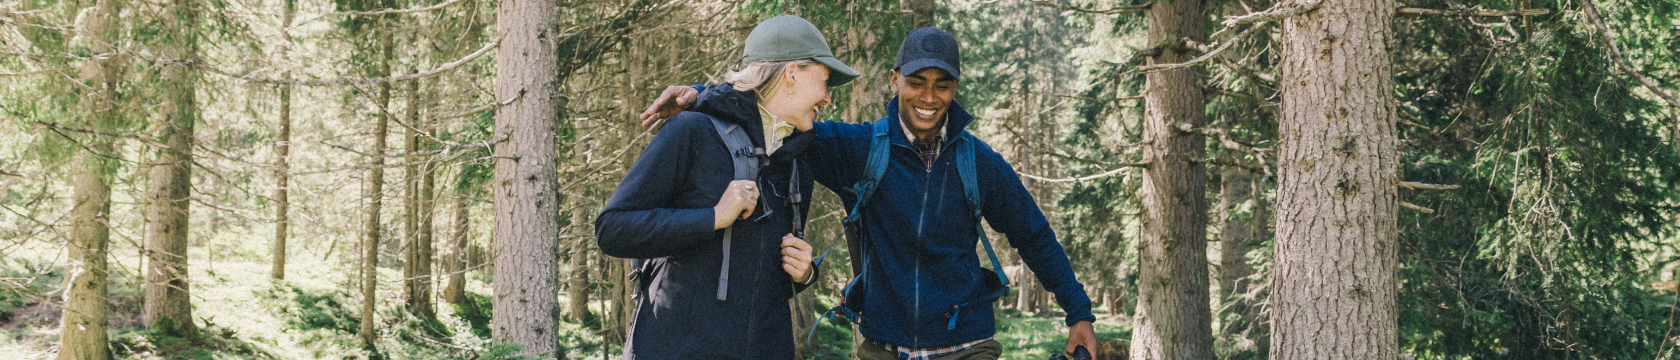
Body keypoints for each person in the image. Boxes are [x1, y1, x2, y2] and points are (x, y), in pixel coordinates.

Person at [639, 27, 1099, 360]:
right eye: (917, 81)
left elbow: (1034, 236)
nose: (929, 96)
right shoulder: (858, 149)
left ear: (955, 87)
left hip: (967, 344)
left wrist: (1079, 313)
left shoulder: (979, 163)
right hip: (882, 346)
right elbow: (772, 107)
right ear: (895, 80)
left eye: (942, 84)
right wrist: (702, 95)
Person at [595, 14, 861, 360]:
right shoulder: (691, 132)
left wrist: (804, 273)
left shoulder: (797, 163)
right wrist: (713, 218)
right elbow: (612, 229)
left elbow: (758, 284)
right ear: (792, 74)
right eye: (824, 80)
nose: (827, 98)